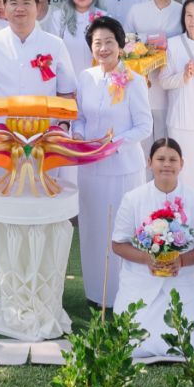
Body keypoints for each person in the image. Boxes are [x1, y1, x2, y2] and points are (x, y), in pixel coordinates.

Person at [109, 138, 194, 358]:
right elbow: (118, 244)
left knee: (191, 346)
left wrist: (182, 260)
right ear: (149, 162)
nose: (167, 164)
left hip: (181, 282)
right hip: (140, 282)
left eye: (172, 159)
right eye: (160, 159)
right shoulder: (133, 199)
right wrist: (146, 258)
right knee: (131, 346)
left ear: (182, 164)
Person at [72, 21, 152, 307]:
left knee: (121, 231)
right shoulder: (85, 77)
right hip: (90, 167)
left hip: (123, 169)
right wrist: (79, 135)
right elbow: (78, 116)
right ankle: (97, 292)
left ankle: (124, 296)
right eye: (97, 43)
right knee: (93, 229)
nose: (103, 48)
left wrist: (114, 143)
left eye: (109, 42)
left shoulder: (134, 80)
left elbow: (144, 125)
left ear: (120, 45)